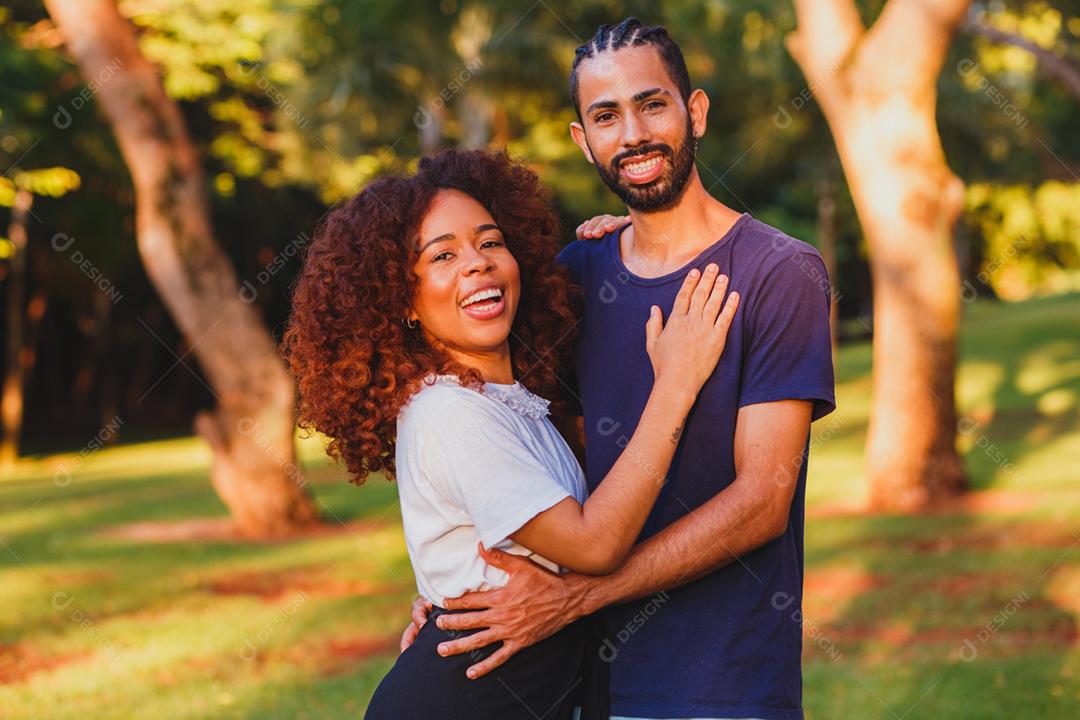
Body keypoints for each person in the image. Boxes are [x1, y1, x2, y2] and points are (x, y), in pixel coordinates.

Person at [405, 18, 837, 720]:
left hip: (720, 683)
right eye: (606, 115)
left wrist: (583, 593)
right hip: (580, 680)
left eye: (652, 104)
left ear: (693, 111)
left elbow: (764, 500)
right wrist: (448, 579)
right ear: (584, 139)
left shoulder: (777, 272)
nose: (632, 134)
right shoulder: (572, 279)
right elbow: (518, 453)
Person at [282, 148, 739, 720]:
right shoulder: (452, 414)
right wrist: (677, 383)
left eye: (490, 241)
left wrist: (633, 238)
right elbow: (595, 545)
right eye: (442, 255)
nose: (477, 263)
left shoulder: (510, 405)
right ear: (403, 302)